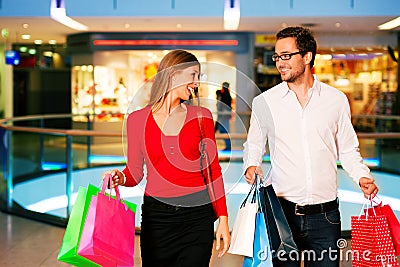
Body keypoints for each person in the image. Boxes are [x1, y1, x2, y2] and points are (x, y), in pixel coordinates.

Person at [243, 26, 378, 266]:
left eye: (286, 55)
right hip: (281, 214)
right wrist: (250, 165)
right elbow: (253, 144)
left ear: (307, 57)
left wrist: (362, 176)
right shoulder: (265, 102)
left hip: (326, 217)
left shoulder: (335, 100)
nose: (279, 63)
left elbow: (347, 149)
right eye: (277, 56)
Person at [106, 49, 230, 267]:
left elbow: (213, 171)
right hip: (157, 220)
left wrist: (223, 218)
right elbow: (134, 173)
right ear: (173, 75)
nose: (197, 82)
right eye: (193, 75)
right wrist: (120, 177)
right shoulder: (137, 120)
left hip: (197, 218)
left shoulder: (202, 117)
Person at [215, 81, 232, 150]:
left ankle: (228, 147)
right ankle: (228, 147)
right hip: (223, 117)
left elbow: (222, 108)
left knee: (224, 131)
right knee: (224, 131)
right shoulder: (226, 95)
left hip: (223, 118)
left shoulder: (225, 96)